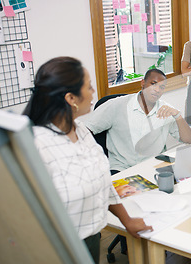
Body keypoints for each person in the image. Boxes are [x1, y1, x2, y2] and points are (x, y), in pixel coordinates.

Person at [23, 57, 152, 263]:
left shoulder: (80, 130)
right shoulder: (38, 145)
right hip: (58, 246)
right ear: (71, 98)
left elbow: (101, 181)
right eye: (89, 87)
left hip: (90, 237)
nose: (93, 93)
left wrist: (127, 221)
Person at [82, 68, 191, 174]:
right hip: (121, 168)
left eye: (162, 87)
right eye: (153, 84)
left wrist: (178, 116)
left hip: (153, 167)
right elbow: (85, 129)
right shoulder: (117, 105)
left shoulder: (166, 110)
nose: (157, 90)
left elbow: (188, 139)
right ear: (143, 83)